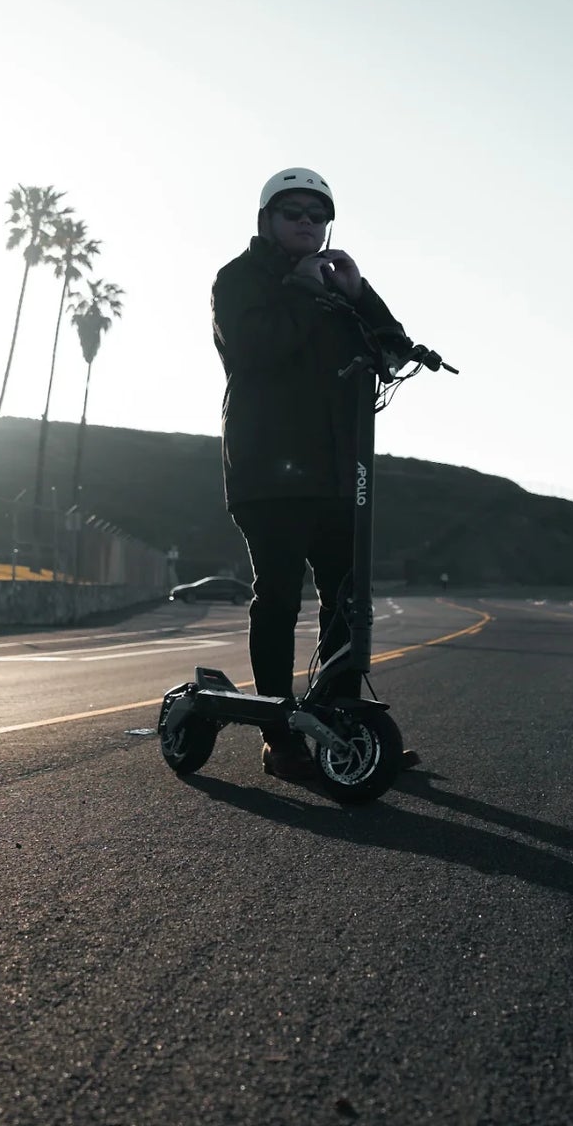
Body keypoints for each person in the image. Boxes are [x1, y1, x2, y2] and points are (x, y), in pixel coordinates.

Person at [211, 168, 405, 781]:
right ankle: (279, 737)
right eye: (292, 212)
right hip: (270, 471)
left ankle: (341, 724)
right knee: (278, 597)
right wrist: (298, 289)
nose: (305, 223)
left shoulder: (335, 287)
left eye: (316, 216)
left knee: (348, 599)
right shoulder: (240, 280)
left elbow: (393, 350)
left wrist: (360, 292)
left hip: (337, 473)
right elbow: (252, 350)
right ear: (267, 218)